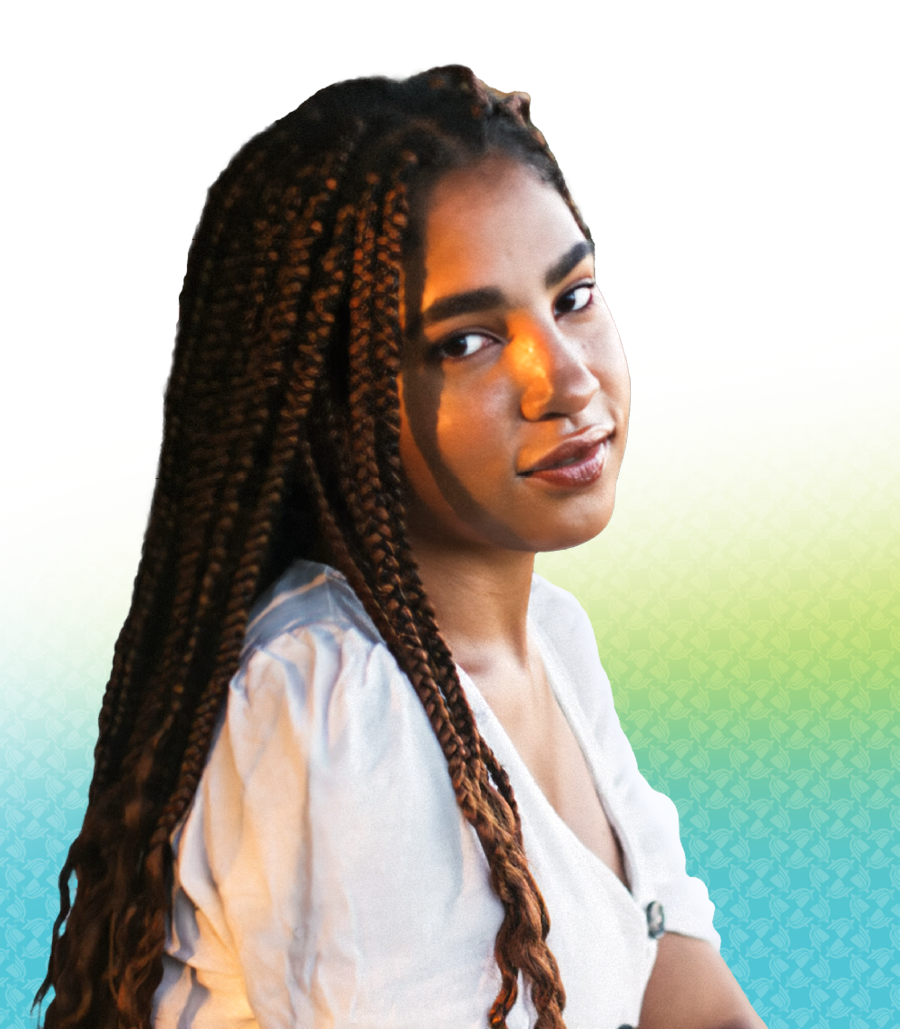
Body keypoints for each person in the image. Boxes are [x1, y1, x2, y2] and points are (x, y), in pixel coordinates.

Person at [35, 65, 766, 1029]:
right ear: (339, 403)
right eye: (465, 342)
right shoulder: (333, 707)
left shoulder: (550, 640)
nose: (566, 380)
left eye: (574, 295)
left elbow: (686, 992)